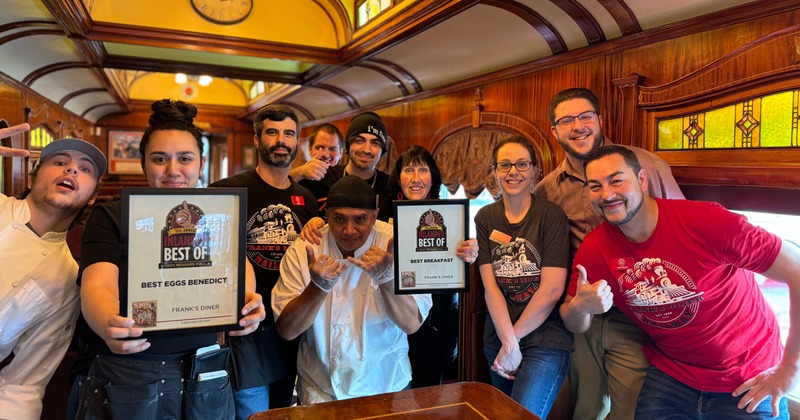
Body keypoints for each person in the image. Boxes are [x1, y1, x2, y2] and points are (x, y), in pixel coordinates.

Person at [562, 145, 800, 419]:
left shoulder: (706, 221)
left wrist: (791, 371)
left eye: (617, 180)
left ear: (641, 180)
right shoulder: (596, 247)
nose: (607, 194)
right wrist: (581, 307)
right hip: (673, 375)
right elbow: (572, 319)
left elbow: (797, 268)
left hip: (748, 377)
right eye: (595, 186)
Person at [74, 99, 265, 419]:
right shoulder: (112, 214)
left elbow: (237, 267)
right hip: (129, 370)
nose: (173, 170)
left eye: (185, 159)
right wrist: (109, 323)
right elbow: (97, 283)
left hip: (203, 369)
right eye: (160, 159)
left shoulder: (218, 211)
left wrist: (247, 303)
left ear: (201, 164)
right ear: (143, 163)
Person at [535, 87, 684, 420]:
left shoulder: (646, 165)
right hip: (580, 316)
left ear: (600, 120)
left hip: (637, 316)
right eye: (567, 120)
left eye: (586, 116)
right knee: (586, 408)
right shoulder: (546, 190)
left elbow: (682, 230)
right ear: (554, 130)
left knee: (632, 409)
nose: (578, 127)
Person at [272, 175, 432, 403]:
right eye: (338, 219)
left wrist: (387, 279)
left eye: (360, 219)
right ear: (326, 215)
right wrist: (318, 287)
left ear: (375, 215)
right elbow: (287, 330)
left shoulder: (396, 243)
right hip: (320, 388)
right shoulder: (305, 248)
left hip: (387, 384)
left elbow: (412, 324)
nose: (349, 230)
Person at [210, 104, 318, 418]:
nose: (281, 140)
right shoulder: (228, 191)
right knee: (246, 411)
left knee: (282, 408)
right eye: (272, 132)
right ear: (257, 140)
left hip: (291, 321)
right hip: (244, 330)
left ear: (297, 142)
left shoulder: (306, 200)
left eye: (289, 134)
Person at [0, 125, 105, 420]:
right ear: (32, 177)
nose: (71, 169)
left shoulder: (69, 282)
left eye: (84, 169)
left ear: (93, 195)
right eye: (60, 162)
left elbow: (21, 386)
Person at [474, 136, 572, 418]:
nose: (512, 172)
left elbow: (552, 290)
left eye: (521, 164)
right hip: (498, 337)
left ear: (534, 170)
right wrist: (506, 341)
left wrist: (512, 342)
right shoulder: (485, 217)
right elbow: (490, 287)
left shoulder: (551, 216)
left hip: (545, 339)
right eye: (504, 165)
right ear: (494, 171)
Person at [386, 144, 478, 388]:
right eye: (408, 170)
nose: (416, 179)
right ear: (399, 177)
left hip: (436, 320)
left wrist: (470, 252)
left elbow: (459, 261)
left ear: (433, 177)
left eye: (423, 170)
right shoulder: (383, 214)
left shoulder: (449, 215)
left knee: (427, 397)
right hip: (392, 320)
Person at [300, 112, 392, 221]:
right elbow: (281, 189)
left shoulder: (390, 186)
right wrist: (300, 172)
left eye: (375, 143)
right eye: (359, 141)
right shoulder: (322, 177)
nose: (367, 149)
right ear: (348, 146)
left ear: (382, 150)